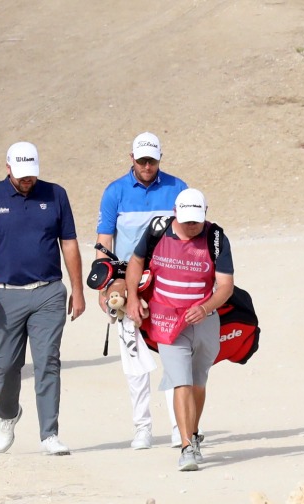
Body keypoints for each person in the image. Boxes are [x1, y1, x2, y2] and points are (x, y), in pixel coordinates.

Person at [0, 141, 85, 456]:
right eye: (21, 174)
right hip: (5, 295)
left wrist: (78, 289)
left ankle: (49, 434)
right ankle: (8, 414)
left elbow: (69, 243)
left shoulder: (55, 194)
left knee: (48, 361)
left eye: (31, 174)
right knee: (6, 366)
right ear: (8, 168)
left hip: (48, 292)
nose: (27, 180)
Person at [125, 189, 234, 472]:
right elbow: (136, 262)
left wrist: (207, 307)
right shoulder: (158, 230)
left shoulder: (216, 238)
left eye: (196, 221)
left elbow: (225, 285)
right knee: (180, 380)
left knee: (198, 381)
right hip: (166, 320)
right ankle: (186, 446)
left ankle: (193, 433)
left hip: (203, 319)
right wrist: (134, 297)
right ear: (176, 212)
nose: (191, 227)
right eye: (186, 221)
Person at [96, 132, 188, 450]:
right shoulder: (115, 192)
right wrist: (103, 284)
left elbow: (191, 237)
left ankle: (180, 427)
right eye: (142, 160)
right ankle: (142, 428)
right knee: (135, 359)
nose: (147, 166)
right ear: (132, 158)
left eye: (152, 160)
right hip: (127, 282)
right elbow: (104, 241)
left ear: (160, 158)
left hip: (168, 283)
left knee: (173, 356)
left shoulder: (178, 189)